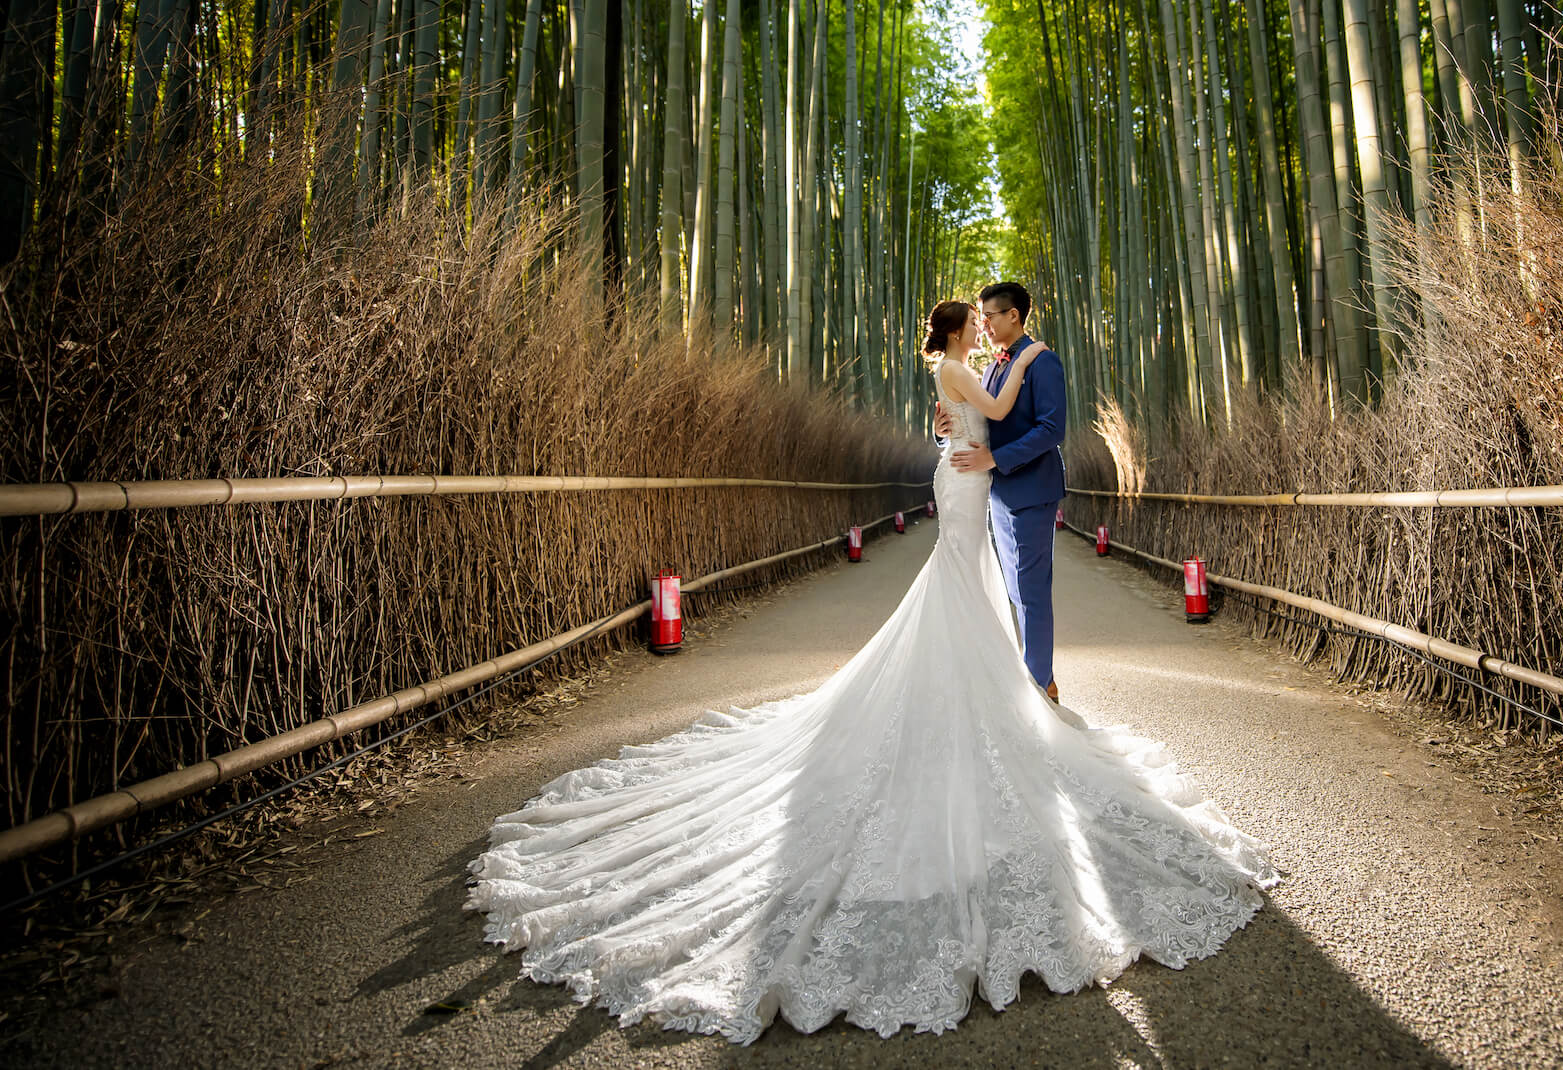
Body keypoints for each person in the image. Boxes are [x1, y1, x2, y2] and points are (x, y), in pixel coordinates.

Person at [464, 300, 1276, 1044]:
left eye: (1001, 323)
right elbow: (989, 415)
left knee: (973, 590)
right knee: (962, 587)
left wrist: (972, 427)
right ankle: (1002, 694)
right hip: (966, 488)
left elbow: (996, 426)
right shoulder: (980, 366)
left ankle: (1014, 689)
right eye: (982, 323)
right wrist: (1007, 386)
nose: (990, 332)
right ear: (965, 331)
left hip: (974, 482)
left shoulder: (970, 365)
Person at [935, 281, 1067, 702]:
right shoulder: (992, 367)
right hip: (996, 493)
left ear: (1013, 315)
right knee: (1013, 590)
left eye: (989, 316)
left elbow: (1051, 429)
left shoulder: (1042, 362)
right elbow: (976, 421)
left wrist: (994, 460)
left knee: (1030, 590)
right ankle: (1033, 679)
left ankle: (1040, 686)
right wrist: (942, 434)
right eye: (980, 318)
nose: (985, 324)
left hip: (1031, 487)